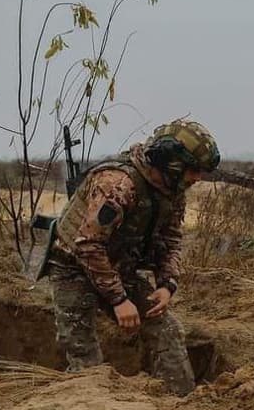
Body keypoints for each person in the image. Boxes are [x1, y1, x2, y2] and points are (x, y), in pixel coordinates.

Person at [47, 119, 220, 396]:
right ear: (172, 162)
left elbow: (171, 238)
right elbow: (87, 245)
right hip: (73, 268)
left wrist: (166, 284)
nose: (197, 178)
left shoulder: (171, 189)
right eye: (194, 170)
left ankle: (181, 405)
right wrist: (119, 300)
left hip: (117, 267)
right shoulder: (117, 185)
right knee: (84, 356)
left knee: (168, 330)